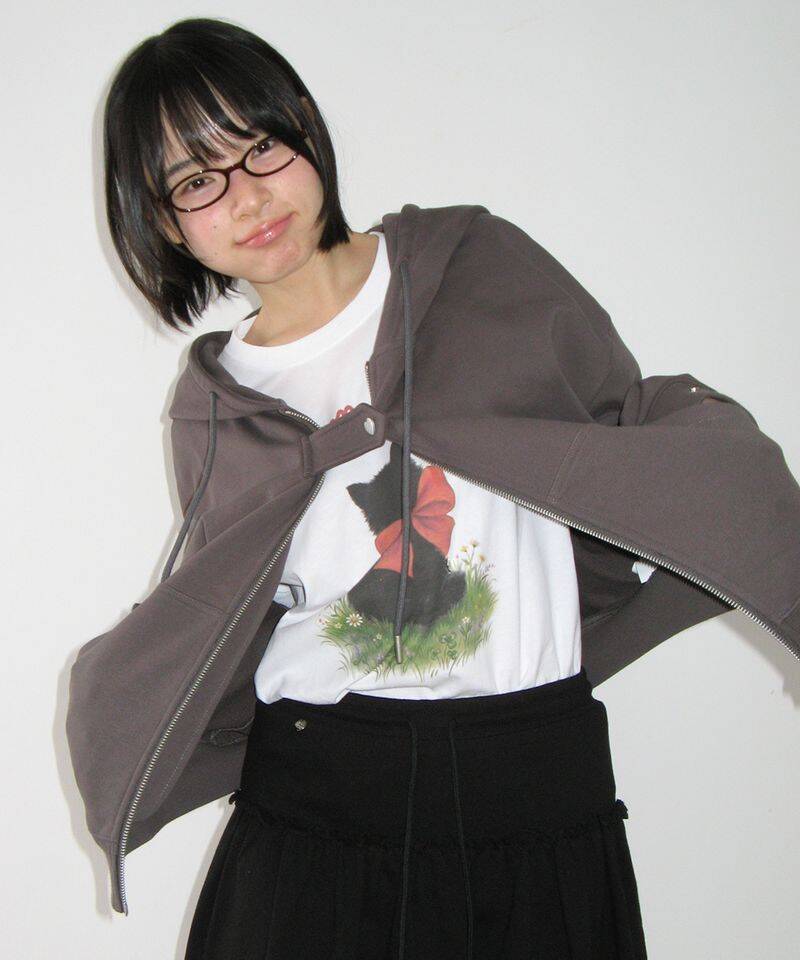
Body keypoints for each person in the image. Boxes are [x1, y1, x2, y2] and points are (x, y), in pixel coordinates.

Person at [68, 12, 800, 960]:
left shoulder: (479, 268)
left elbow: (616, 464)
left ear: (304, 126)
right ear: (164, 221)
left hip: (539, 786)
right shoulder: (214, 406)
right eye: (198, 182)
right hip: (312, 814)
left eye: (259, 148)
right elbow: (235, 604)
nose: (247, 197)